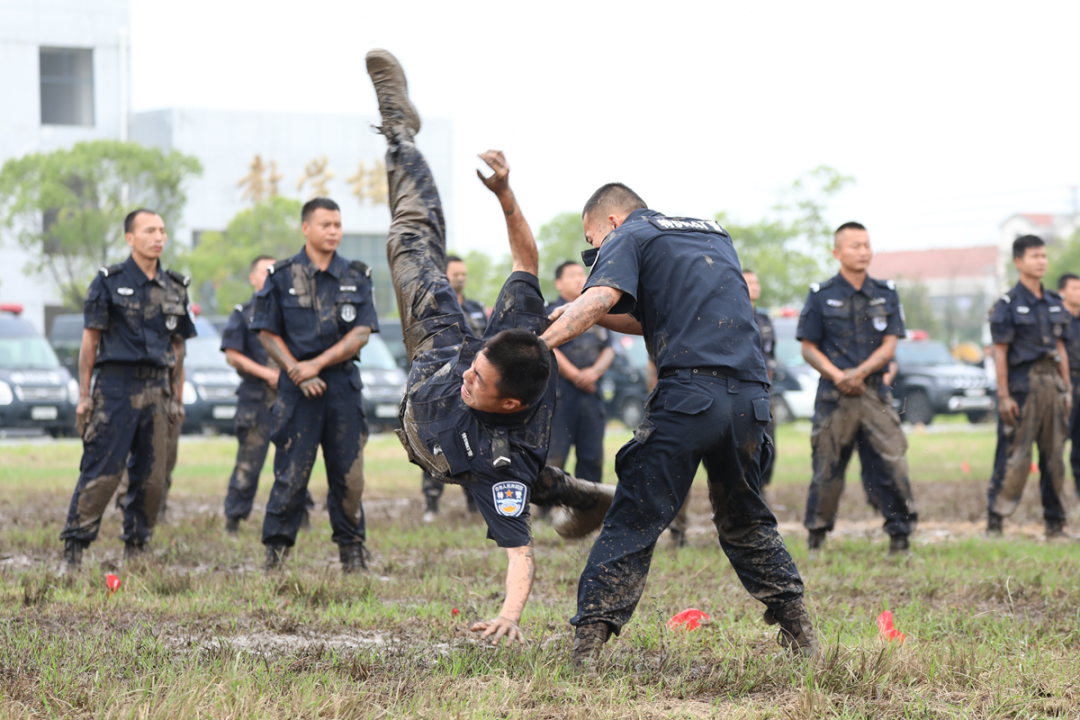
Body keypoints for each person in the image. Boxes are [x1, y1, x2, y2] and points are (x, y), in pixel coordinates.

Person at [367, 48, 615, 647]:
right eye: (476, 371)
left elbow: (519, 555)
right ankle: (401, 133)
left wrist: (510, 615)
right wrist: (506, 194)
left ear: (505, 404)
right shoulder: (516, 343)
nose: (468, 381)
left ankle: (572, 491)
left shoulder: (498, 457)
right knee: (408, 239)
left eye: (478, 384)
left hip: (444, 443)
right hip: (439, 347)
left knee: (527, 476)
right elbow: (525, 261)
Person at [541, 185, 814, 666]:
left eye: (593, 243)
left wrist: (540, 343)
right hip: (750, 397)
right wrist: (586, 316)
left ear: (609, 222)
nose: (596, 254)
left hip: (690, 394)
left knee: (634, 515)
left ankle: (586, 647)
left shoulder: (631, 233)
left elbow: (602, 294)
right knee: (745, 518)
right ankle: (801, 633)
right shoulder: (711, 236)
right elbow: (650, 317)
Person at [60, 209, 196, 566]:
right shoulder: (108, 281)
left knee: (152, 479)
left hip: (158, 391)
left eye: (162, 231)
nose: (158, 237)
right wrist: (85, 396)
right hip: (116, 389)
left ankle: (137, 547)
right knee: (103, 471)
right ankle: (74, 548)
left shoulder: (175, 287)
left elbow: (179, 347)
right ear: (130, 238)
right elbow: (90, 343)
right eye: (150, 230)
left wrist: (176, 398)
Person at [250, 198, 378, 573]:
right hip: (296, 391)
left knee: (350, 476)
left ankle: (352, 551)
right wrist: (296, 370)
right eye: (326, 224)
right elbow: (266, 332)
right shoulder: (282, 275)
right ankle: (276, 553)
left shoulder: (356, 275)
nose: (334, 231)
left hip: (341, 387)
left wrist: (316, 366)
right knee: (291, 475)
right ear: (306, 228)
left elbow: (361, 334)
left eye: (338, 224)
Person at [797, 221, 916, 555]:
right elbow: (808, 347)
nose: (863, 252)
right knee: (827, 468)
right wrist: (839, 376)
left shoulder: (886, 292)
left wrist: (859, 373)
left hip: (874, 393)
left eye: (867, 245)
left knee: (892, 463)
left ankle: (900, 536)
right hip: (835, 397)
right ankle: (817, 537)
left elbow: (890, 344)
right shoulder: (822, 295)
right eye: (855, 246)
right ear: (837, 252)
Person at [986, 236, 1071, 537]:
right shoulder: (1008, 304)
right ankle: (995, 521)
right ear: (1019, 262)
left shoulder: (1053, 302)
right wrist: (1004, 395)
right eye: (1035, 256)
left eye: (1044, 256)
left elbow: (1060, 347)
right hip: (1022, 385)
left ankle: (1055, 524)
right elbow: (1000, 353)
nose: (1042, 261)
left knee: (1054, 456)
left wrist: (1067, 388)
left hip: (1052, 384)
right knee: (1014, 456)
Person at [221, 256, 313, 534]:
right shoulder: (243, 313)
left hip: (290, 397)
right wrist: (266, 374)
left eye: (276, 271)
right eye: (266, 271)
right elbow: (232, 354)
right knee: (249, 462)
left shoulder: (295, 312)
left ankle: (301, 516)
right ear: (252, 278)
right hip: (256, 398)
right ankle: (233, 520)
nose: (272, 277)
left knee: (296, 458)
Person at [421, 254, 486, 521]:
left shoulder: (476, 308)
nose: (460, 278)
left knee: (475, 443)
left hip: (473, 387)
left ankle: (474, 504)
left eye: (463, 274)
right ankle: (431, 504)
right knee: (437, 444)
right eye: (455, 273)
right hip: (441, 387)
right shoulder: (432, 309)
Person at [546, 261, 615, 484]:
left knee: (592, 456)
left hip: (592, 394)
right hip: (560, 396)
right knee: (554, 455)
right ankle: (548, 509)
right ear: (558, 283)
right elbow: (547, 346)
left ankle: (588, 510)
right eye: (572, 275)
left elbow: (609, 349)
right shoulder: (550, 312)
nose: (579, 279)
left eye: (581, 274)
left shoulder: (598, 308)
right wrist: (575, 375)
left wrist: (593, 373)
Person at [1060, 272, 1080, 499]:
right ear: (1063, 292)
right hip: (1065, 386)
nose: (1079, 293)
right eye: (1075, 288)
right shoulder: (1057, 321)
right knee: (1058, 442)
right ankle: (1056, 494)